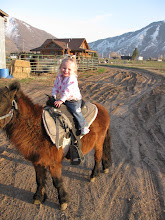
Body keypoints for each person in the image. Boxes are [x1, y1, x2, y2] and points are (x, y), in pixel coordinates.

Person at [52, 55, 90, 135]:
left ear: (73, 71)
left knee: (76, 111)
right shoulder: (59, 77)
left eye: (69, 69)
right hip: (65, 99)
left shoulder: (72, 79)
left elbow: (67, 91)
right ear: (60, 67)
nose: (66, 70)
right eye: (64, 68)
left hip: (73, 100)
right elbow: (55, 87)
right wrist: (54, 95)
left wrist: (61, 100)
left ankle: (84, 126)